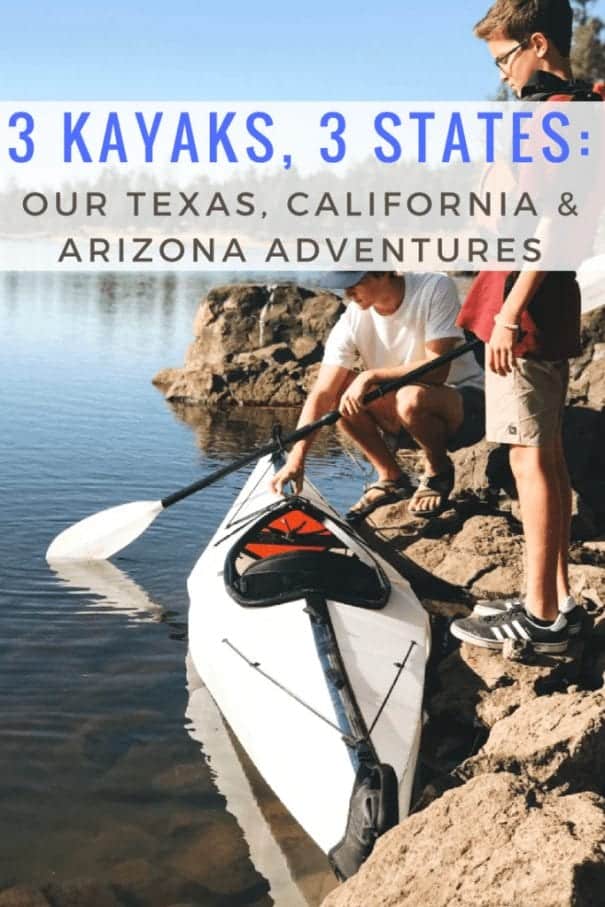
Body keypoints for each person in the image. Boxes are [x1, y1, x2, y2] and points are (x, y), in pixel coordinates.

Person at [450, 0, 601, 654]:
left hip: (525, 311)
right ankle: (558, 599)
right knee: (549, 456)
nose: (505, 74)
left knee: (527, 458)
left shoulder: (557, 117)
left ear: (537, 44)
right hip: (538, 306)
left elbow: (553, 226)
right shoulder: (569, 113)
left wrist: (508, 311)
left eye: (506, 58)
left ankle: (539, 619)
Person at [270, 271, 484, 519]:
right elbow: (323, 392)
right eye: (343, 287)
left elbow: (436, 370)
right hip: (404, 415)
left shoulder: (435, 286)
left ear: (383, 273)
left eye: (353, 284)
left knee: (410, 397)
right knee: (342, 392)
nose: (347, 294)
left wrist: (370, 376)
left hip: (465, 407)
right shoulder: (353, 316)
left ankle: (438, 471)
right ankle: (391, 477)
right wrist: (297, 458)